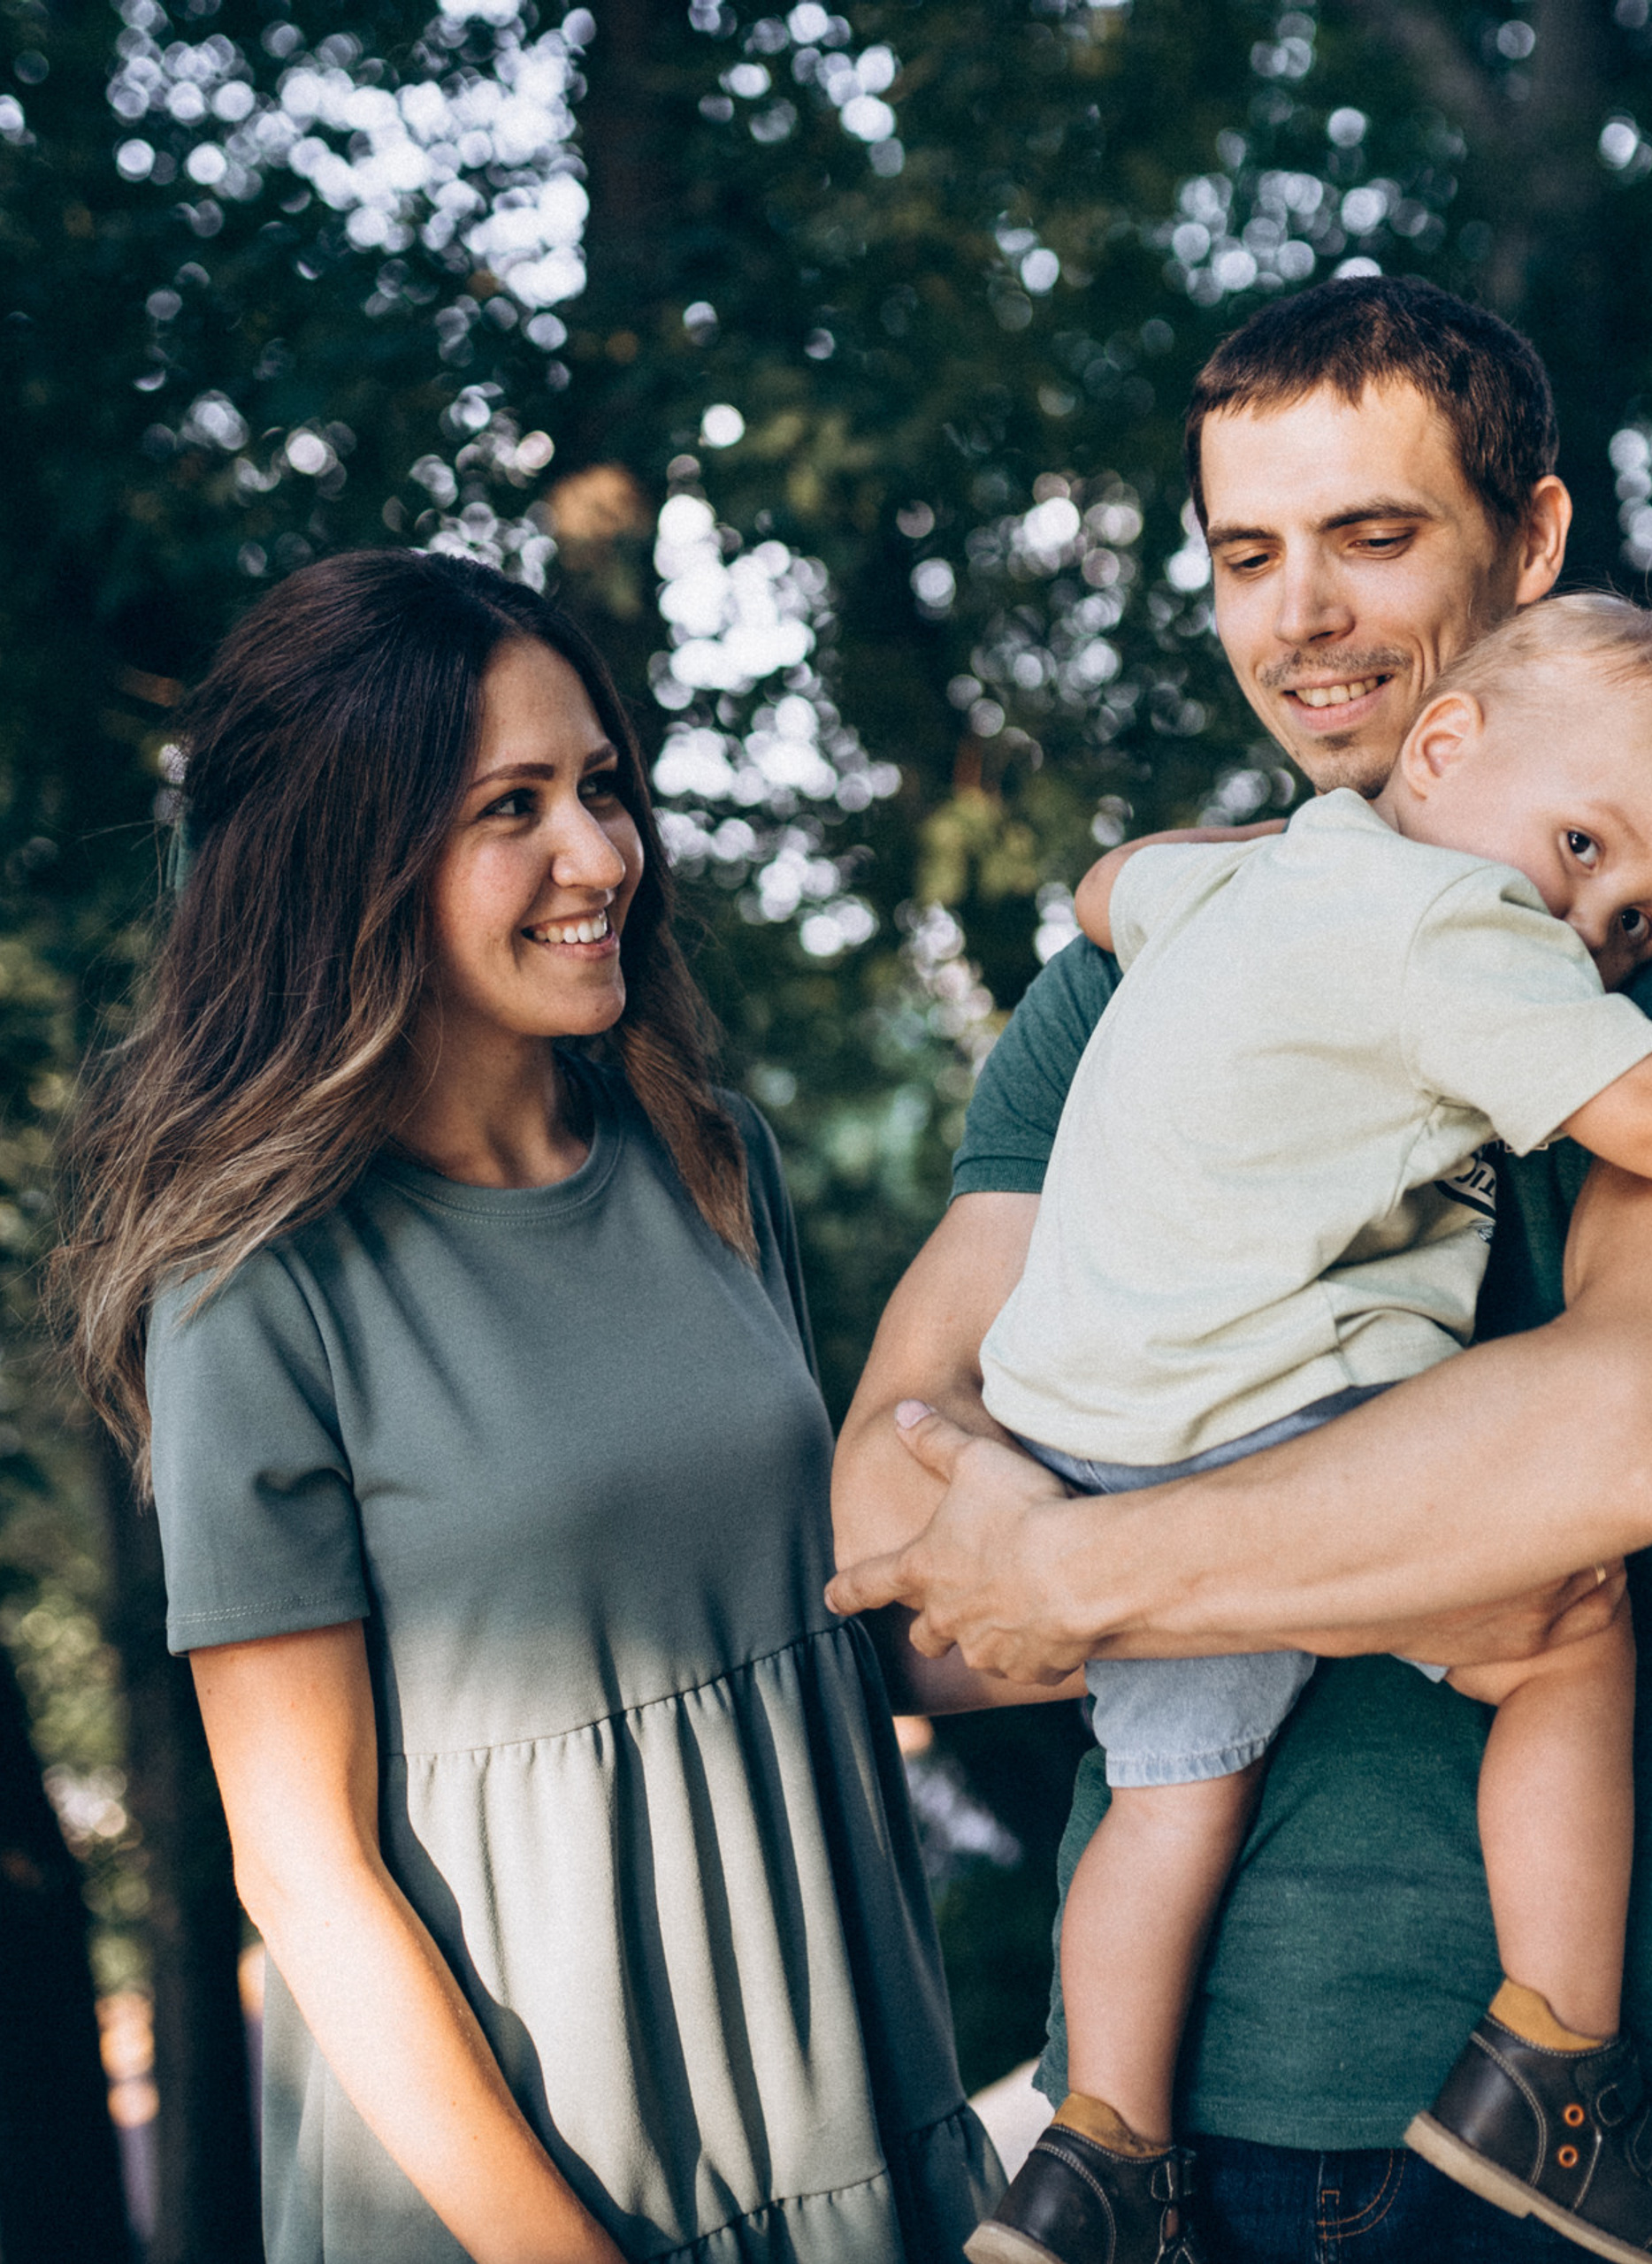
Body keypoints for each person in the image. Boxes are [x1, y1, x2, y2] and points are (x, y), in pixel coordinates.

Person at [830, 277, 1652, 2264]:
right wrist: (1040, 1563)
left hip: (1574, 2145)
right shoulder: (1126, 990)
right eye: (1245, 554)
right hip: (1155, 2125)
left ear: (1531, 542)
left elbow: (1627, 1440)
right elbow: (890, 1578)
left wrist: (1062, 1551)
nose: (1298, 610)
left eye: (1371, 537)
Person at [49, 550, 998, 2264]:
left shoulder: (705, 1154)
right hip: (519, 2195)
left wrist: (1180, 1575)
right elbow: (304, 1869)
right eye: (511, 806)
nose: (600, 855)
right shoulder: (254, 1281)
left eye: (603, 788)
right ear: (350, 858)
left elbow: (812, 1625)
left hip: (850, 2102)